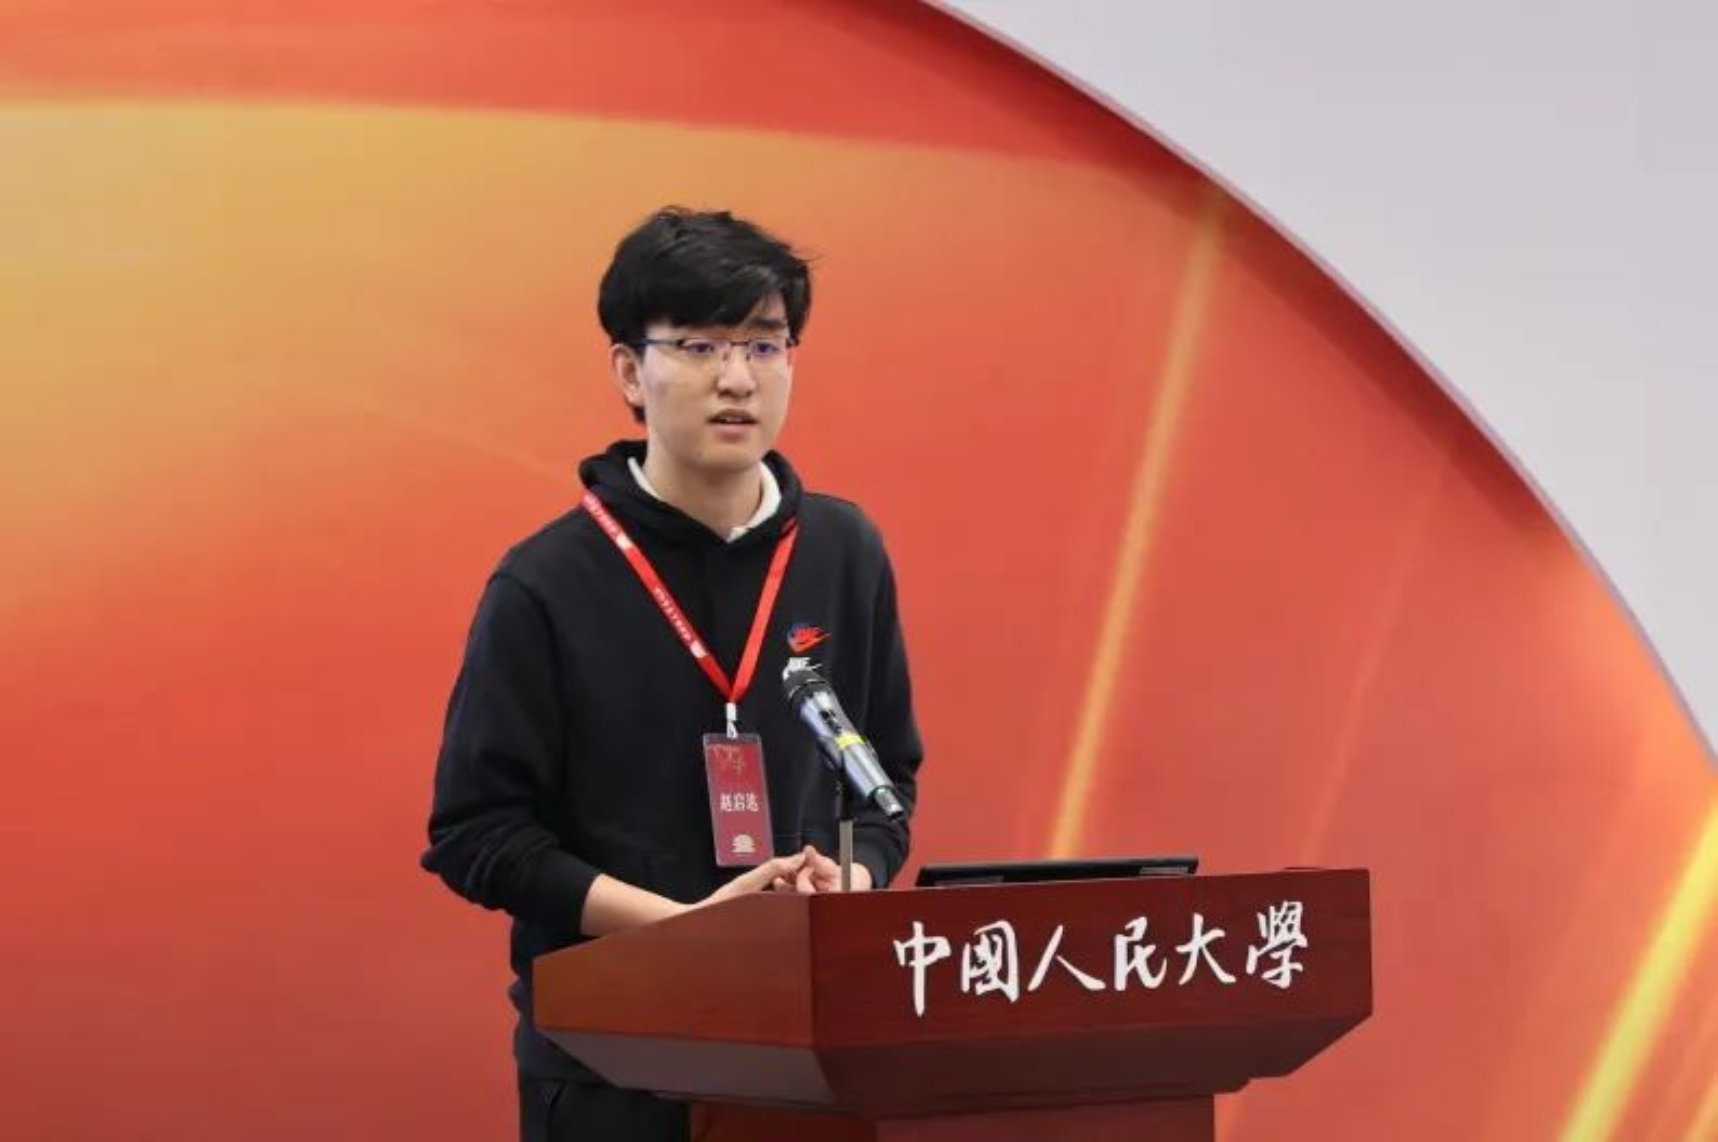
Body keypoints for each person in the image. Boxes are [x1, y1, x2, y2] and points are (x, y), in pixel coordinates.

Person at [421, 207, 925, 1142]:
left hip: (807, 1053)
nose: (736, 378)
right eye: (698, 346)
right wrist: (684, 929)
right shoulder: (546, 582)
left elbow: (883, 781)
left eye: (765, 345)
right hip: (613, 1067)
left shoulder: (844, 550)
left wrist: (845, 888)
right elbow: (477, 834)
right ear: (629, 372)